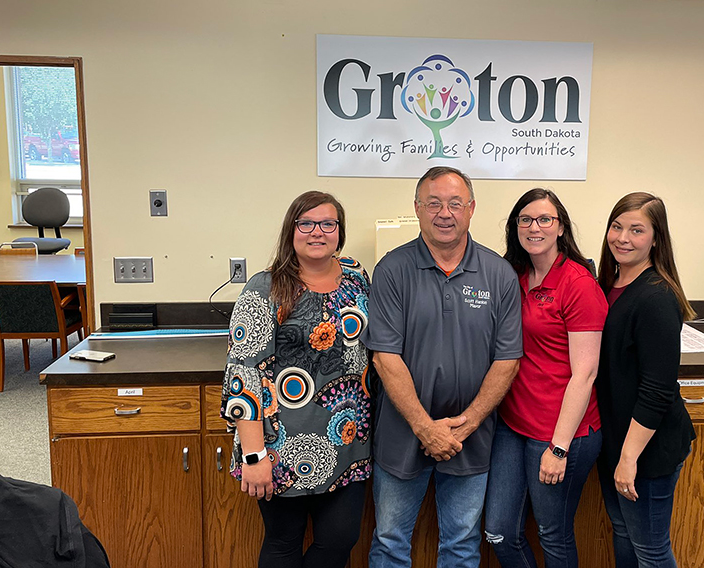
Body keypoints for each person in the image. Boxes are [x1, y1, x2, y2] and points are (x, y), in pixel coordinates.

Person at [363, 166, 523, 568]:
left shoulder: (498, 274)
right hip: (402, 433)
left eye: (455, 203)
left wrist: (466, 424)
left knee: (462, 545)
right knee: (390, 542)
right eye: (433, 203)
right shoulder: (392, 270)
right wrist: (424, 427)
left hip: (471, 437)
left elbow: (507, 360)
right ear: (417, 208)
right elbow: (385, 356)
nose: (444, 213)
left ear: (471, 209)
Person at [220, 191, 373, 568]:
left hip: (347, 440)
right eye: (306, 224)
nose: (317, 232)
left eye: (327, 224)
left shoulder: (356, 275)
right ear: (292, 231)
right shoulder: (265, 288)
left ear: (339, 231)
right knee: (284, 541)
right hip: (279, 445)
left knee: (341, 539)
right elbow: (244, 373)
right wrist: (255, 455)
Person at [484, 188, 608, 568]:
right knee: (499, 530)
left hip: (560, 431)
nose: (534, 227)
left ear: (560, 227)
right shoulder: (513, 274)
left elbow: (585, 374)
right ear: (515, 227)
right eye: (525, 219)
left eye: (544, 219)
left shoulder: (577, 282)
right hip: (514, 423)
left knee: (553, 535)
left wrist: (558, 448)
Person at [595, 192, 697, 568]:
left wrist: (627, 459)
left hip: (645, 451)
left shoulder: (655, 297)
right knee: (625, 535)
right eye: (617, 226)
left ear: (656, 238)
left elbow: (657, 391)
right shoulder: (610, 283)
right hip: (618, 442)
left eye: (637, 230)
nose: (622, 238)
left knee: (651, 551)